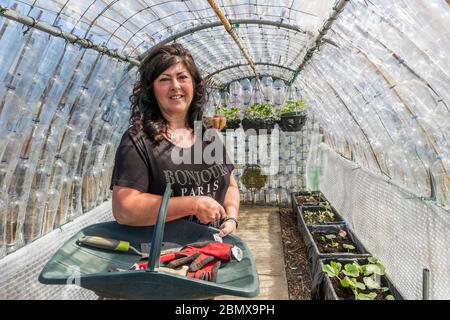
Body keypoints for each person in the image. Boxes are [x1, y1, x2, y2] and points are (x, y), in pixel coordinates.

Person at [110, 43, 239, 238]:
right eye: (164, 79)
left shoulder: (206, 133)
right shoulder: (138, 141)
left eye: (182, 77)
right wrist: (192, 204)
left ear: (194, 85)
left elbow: (230, 185)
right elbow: (125, 209)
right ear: (151, 89)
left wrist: (231, 217)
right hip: (165, 258)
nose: (175, 86)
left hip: (212, 249)